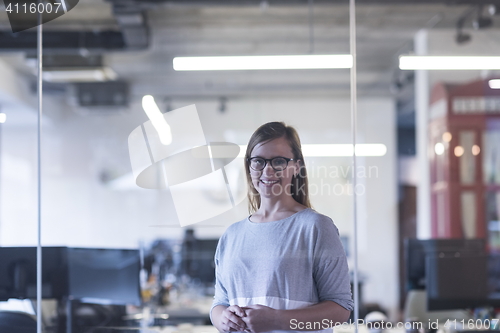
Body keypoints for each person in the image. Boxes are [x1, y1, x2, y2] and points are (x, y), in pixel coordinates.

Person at [210, 122, 353, 333]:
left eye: (278, 161)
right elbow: (219, 303)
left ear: (296, 167)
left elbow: (340, 309)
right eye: (258, 161)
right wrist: (223, 318)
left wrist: (278, 320)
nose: (268, 170)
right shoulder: (231, 235)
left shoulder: (315, 227)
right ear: (249, 167)